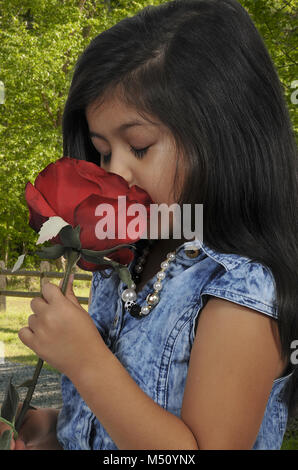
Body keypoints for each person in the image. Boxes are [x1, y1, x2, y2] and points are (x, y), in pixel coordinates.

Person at [2, 0, 298, 450]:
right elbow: (139, 411)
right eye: (103, 151)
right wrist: (58, 429)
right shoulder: (126, 260)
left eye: (138, 146)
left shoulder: (241, 293)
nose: (113, 173)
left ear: (224, 139)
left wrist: (87, 363)